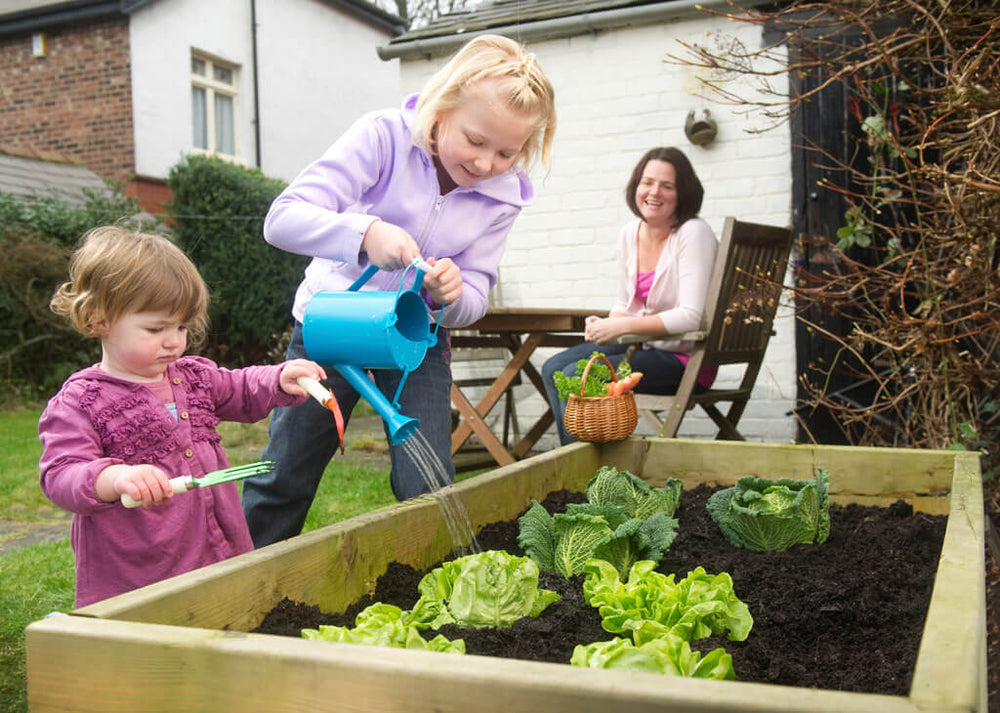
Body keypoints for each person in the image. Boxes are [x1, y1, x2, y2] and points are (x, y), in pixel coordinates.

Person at [241, 34, 557, 548]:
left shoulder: (504, 197)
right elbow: (282, 220)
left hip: (415, 340)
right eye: (475, 141)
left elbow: (475, 292)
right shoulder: (383, 137)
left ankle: (439, 588)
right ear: (441, 108)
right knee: (285, 473)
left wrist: (451, 294)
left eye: (507, 152)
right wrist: (364, 234)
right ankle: (234, 587)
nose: (485, 165)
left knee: (427, 481)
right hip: (333, 327)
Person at [38, 226, 326, 607]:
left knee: (221, 615)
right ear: (99, 318)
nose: (174, 340)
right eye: (156, 328)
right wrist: (116, 477)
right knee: (149, 646)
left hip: (213, 543)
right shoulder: (81, 400)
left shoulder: (192, 377)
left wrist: (278, 377)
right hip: (138, 567)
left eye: (182, 327)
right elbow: (61, 473)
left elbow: (239, 387)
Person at [542, 147, 719, 445]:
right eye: (647, 182)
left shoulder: (693, 232)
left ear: (683, 192)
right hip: (645, 348)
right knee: (553, 369)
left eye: (667, 185)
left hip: (687, 359)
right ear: (636, 186)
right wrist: (607, 324)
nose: (654, 192)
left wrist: (622, 327)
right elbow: (627, 305)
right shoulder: (629, 234)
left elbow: (690, 315)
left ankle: (587, 472)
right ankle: (575, 463)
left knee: (579, 374)